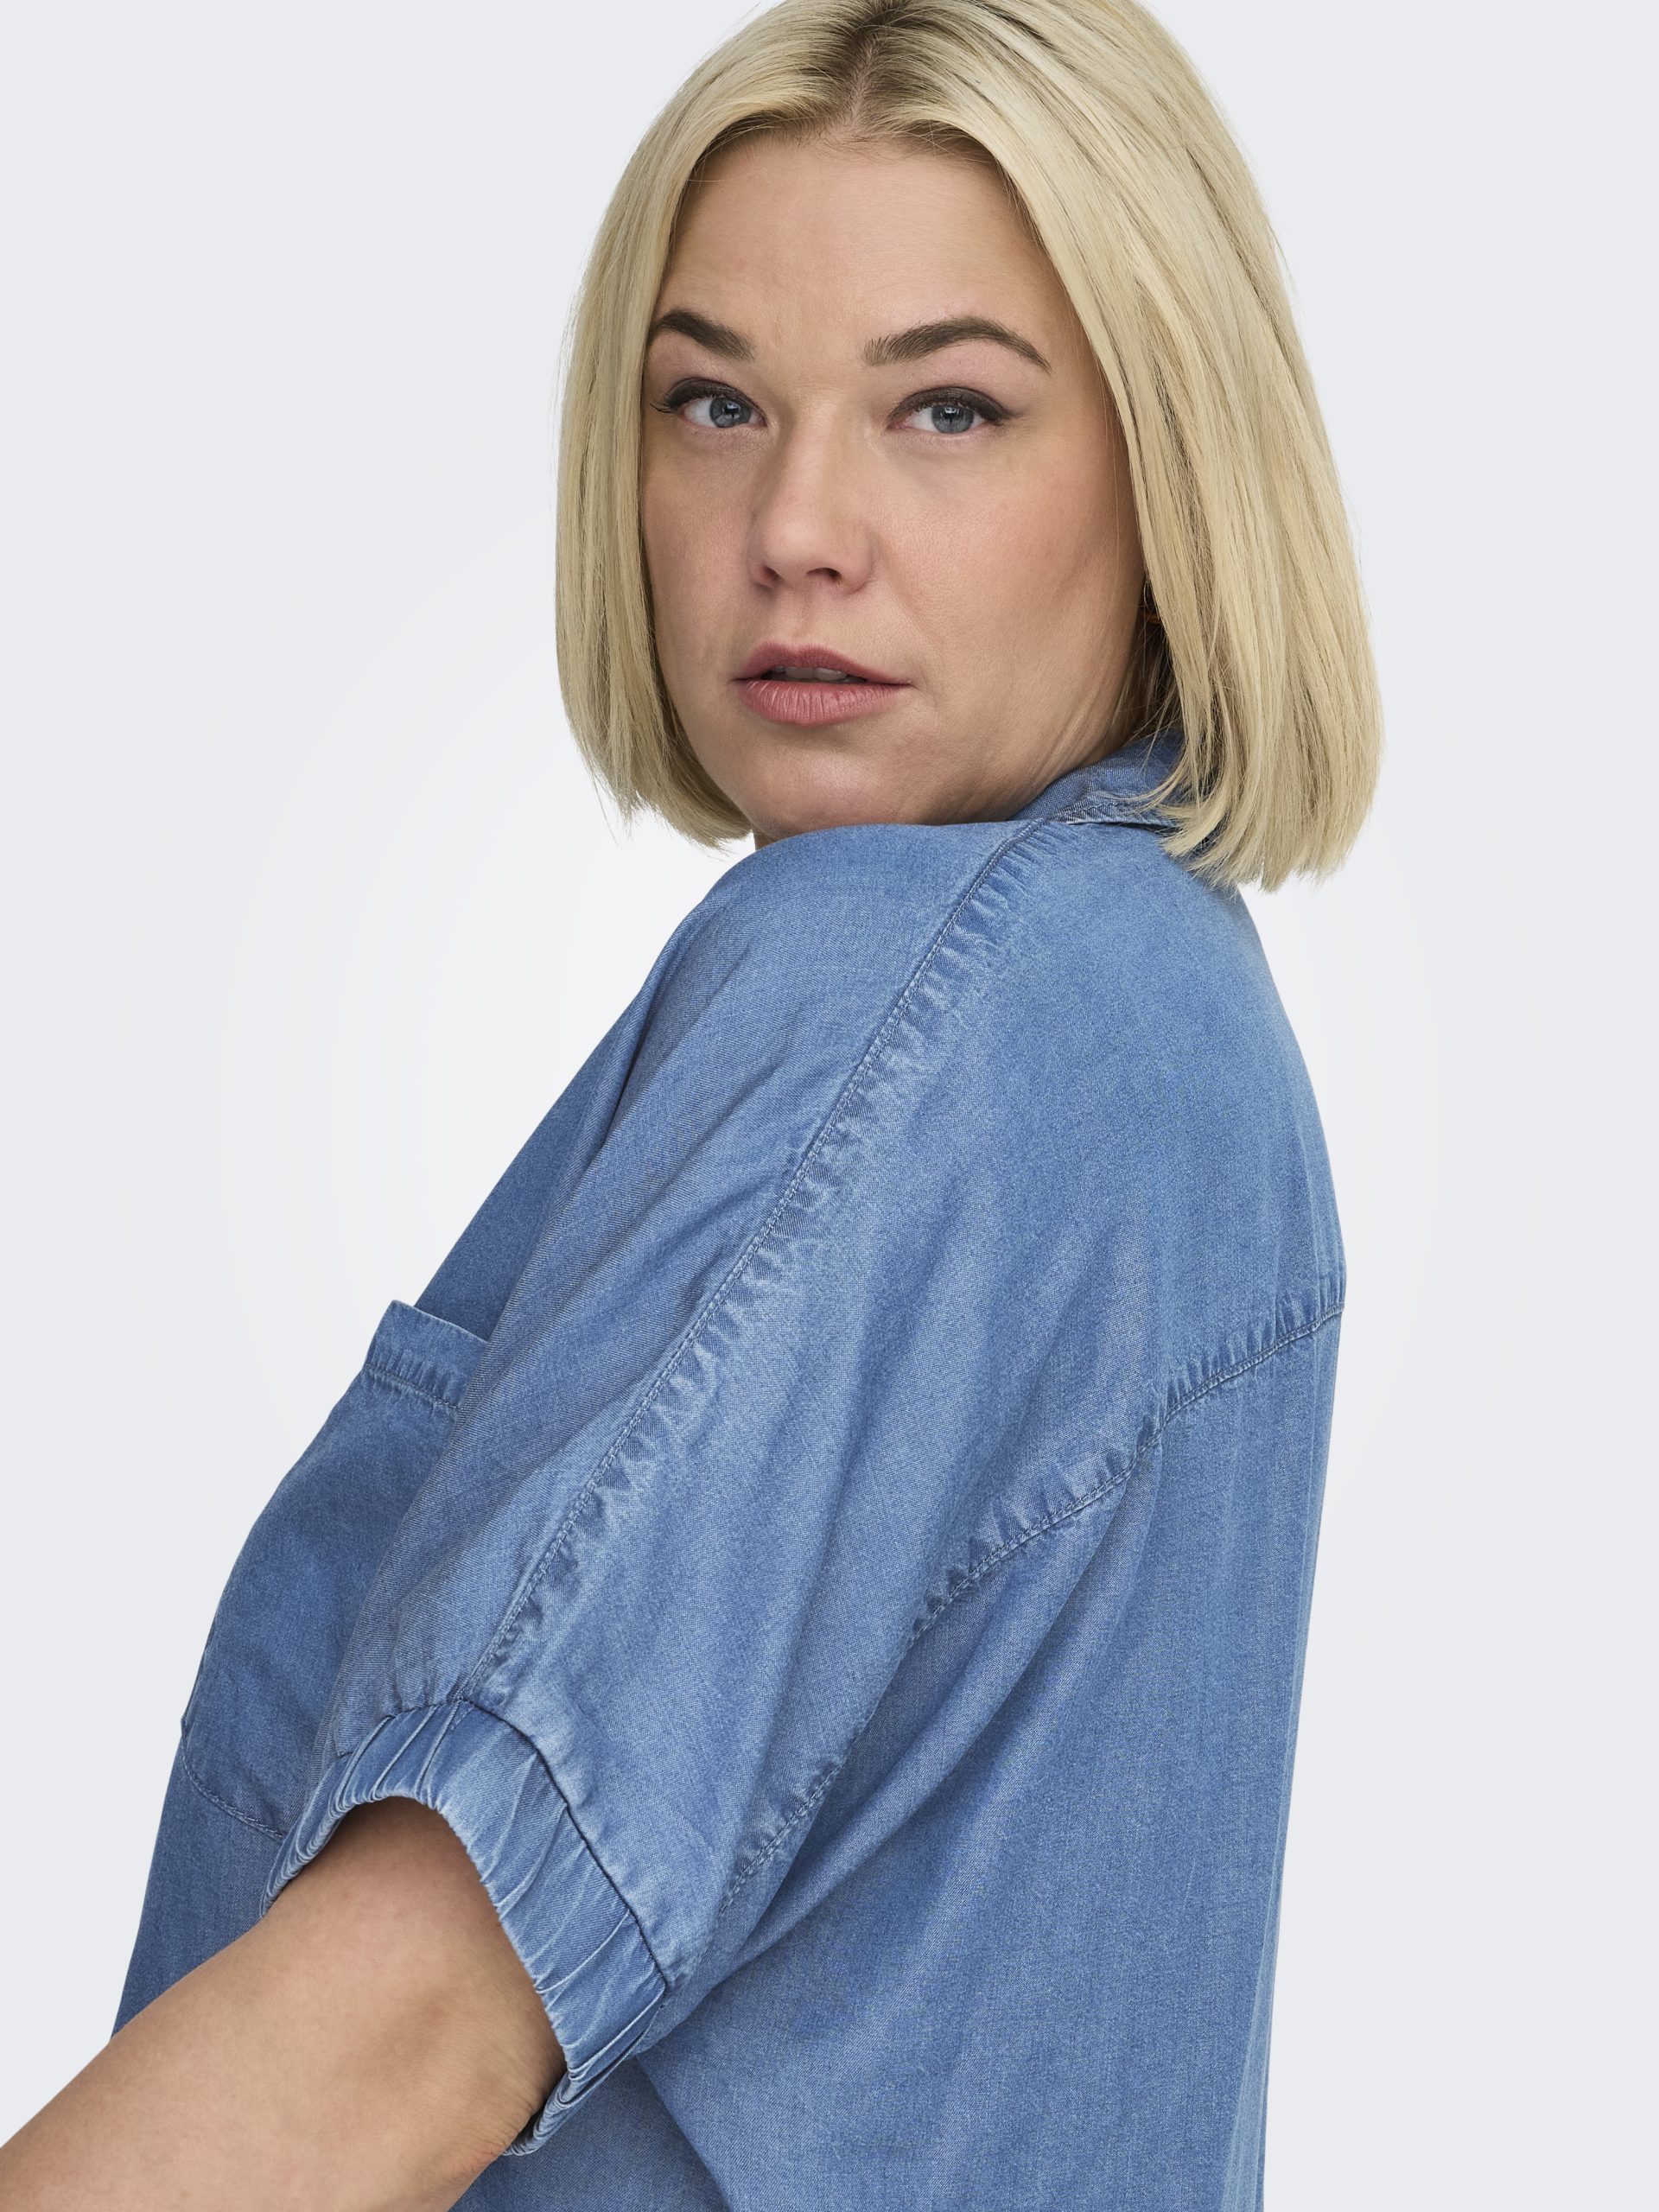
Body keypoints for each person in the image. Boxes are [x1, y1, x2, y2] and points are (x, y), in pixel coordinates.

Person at [0, 0, 1380, 2204]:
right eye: (714, 400)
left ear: (1173, 465)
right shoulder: (1171, 1037)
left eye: (948, 407)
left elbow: (399, 2030)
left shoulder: (925, 999)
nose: (796, 526)